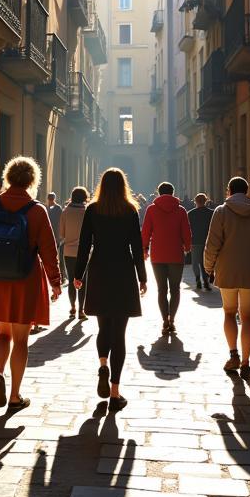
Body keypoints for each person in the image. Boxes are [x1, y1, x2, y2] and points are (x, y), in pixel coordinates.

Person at [0, 157, 62, 410]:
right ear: (32, 180)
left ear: (7, 177)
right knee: (21, 339)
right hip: (25, 279)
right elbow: (49, 251)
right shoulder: (38, 210)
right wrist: (55, 281)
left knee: (3, 333)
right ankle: (15, 395)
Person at [74, 168, 147, 411]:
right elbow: (137, 246)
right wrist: (142, 277)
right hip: (123, 273)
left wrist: (78, 274)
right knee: (120, 334)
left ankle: (103, 364)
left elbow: (84, 244)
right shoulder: (129, 210)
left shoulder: (93, 210)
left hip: (99, 271)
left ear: (102, 186)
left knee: (103, 327)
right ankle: (115, 392)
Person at [203, 177, 250, 377]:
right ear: (247, 191)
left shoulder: (221, 211)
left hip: (227, 269)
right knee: (248, 317)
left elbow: (212, 243)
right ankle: (247, 363)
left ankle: (233, 355)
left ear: (229, 190)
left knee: (229, 313)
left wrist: (208, 267)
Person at [141, 181, 192, 336]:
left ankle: (164, 319)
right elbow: (186, 231)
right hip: (176, 254)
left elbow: (146, 231)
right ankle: (172, 320)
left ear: (158, 192)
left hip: (158, 255)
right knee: (175, 289)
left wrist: (144, 248)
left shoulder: (151, 209)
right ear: (173, 192)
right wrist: (187, 247)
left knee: (162, 290)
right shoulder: (181, 210)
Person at [60, 187, 89, 321]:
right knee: (82, 280)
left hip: (69, 251)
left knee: (72, 279)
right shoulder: (87, 211)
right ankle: (81, 310)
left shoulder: (66, 211)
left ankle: (72, 307)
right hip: (84, 252)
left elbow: (62, 233)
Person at [188, 193, 213, 290]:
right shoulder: (211, 213)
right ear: (206, 201)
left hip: (195, 241)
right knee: (204, 262)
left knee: (195, 262)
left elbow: (188, 229)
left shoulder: (190, 213)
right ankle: (206, 281)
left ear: (195, 201)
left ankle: (198, 279)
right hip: (208, 241)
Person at [46, 191, 65, 293]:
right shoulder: (46, 208)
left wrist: (60, 236)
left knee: (56, 257)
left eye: (51, 198)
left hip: (56, 236)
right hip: (49, 235)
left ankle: (61, 276)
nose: (50, 200)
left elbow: (61, 222)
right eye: (49, 198)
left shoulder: (58, 209)